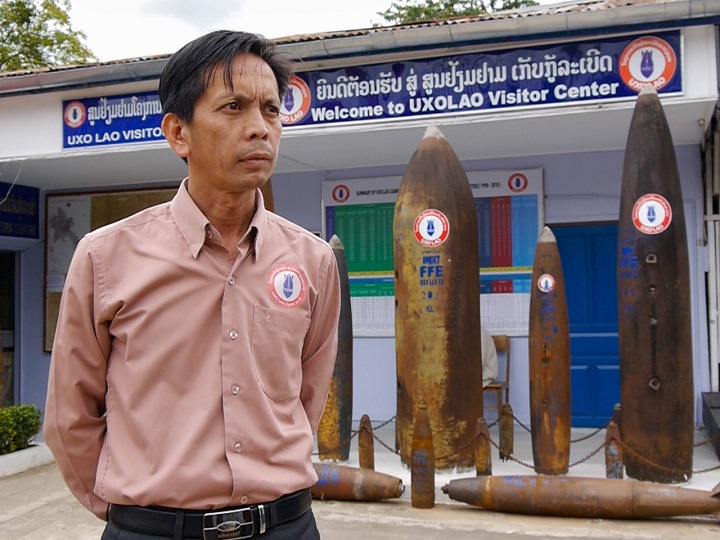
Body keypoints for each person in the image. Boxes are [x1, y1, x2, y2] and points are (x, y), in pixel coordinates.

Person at [43, 30, 341, 540]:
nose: (260, 129)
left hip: (286, 527)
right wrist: (136, 514)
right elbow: (71, 413)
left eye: (272, 110)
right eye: (233, 107)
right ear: (179, 133)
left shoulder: (311, 261)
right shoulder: (105, 257)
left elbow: (306, 396)